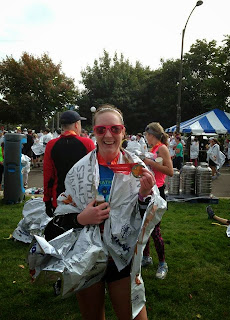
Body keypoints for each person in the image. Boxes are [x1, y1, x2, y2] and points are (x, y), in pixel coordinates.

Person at [44, 105, 165, 320]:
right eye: (101, 130)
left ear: (123, 132)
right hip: (87, 258)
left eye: (115, 129)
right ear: (93, 132)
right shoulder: (79, 171)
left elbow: (150, 214)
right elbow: (56, 223)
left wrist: (144, 195)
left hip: (122, 258)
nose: (108, 135)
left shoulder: (137, 168)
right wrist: (81, 218)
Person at [43, 110, 95, 220]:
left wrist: (47, 200)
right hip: (82, 197)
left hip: (59, 196)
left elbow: (48, 175)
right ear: (77, 125)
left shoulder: (51, 145)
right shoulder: (87, 143)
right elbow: (94, 172)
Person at [142, 123, 173, 279]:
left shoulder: (162, 148)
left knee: (155, 230)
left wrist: (150, 163)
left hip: (158, 193)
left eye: (146, 134)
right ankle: (146, 257)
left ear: (151, 134)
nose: (145, 137)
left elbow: (170, 171)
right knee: (145, 226)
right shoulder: (154, 149)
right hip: (150, 191)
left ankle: (162, 264)